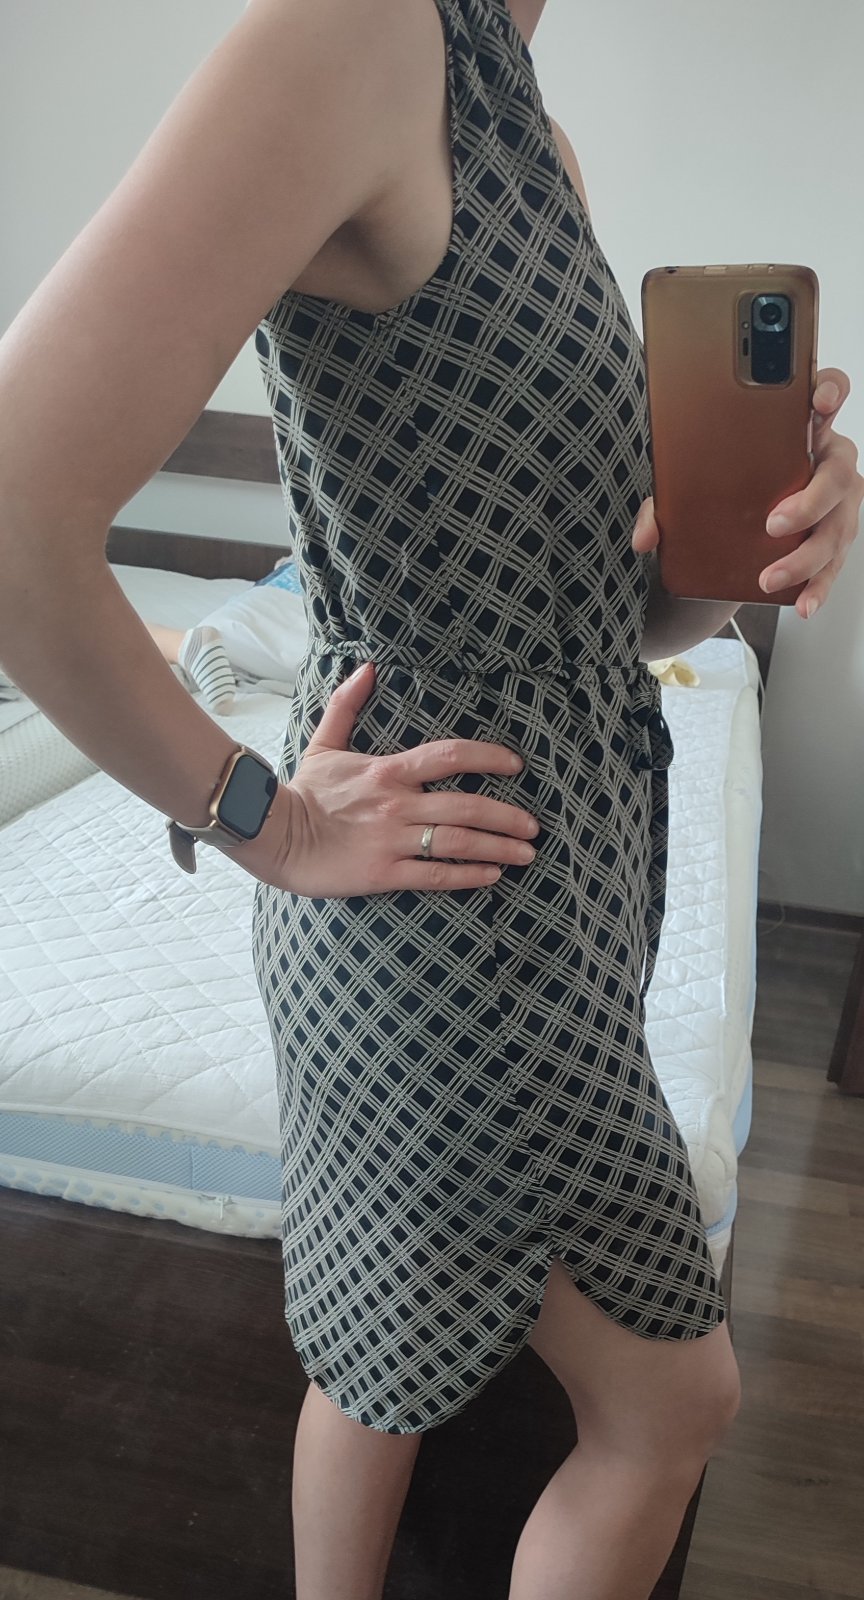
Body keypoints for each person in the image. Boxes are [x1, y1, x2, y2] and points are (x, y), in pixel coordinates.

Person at [0, 2, 861, 1597]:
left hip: (558, 874)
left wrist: (747, 547)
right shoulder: (351, 29)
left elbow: (607, 619)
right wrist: (264, 819)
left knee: (375, 1356)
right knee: (672, 1404)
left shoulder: (523, 119)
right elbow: (10, 505)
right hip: (456, 922)